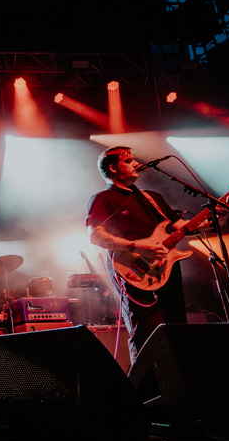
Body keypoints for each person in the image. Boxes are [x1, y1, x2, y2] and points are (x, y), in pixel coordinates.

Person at [86, 147, 203, 364]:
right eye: (128, 160)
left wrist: (211, 220)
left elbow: (180, 227)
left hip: (166, 267)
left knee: (177, 325)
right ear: (113, 168)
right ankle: (146, 380)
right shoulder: (103, 199)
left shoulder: (152, 197)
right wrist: (135, 246)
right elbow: (95, 236)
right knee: (147, 331)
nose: (135, 163)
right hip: (133, 269)